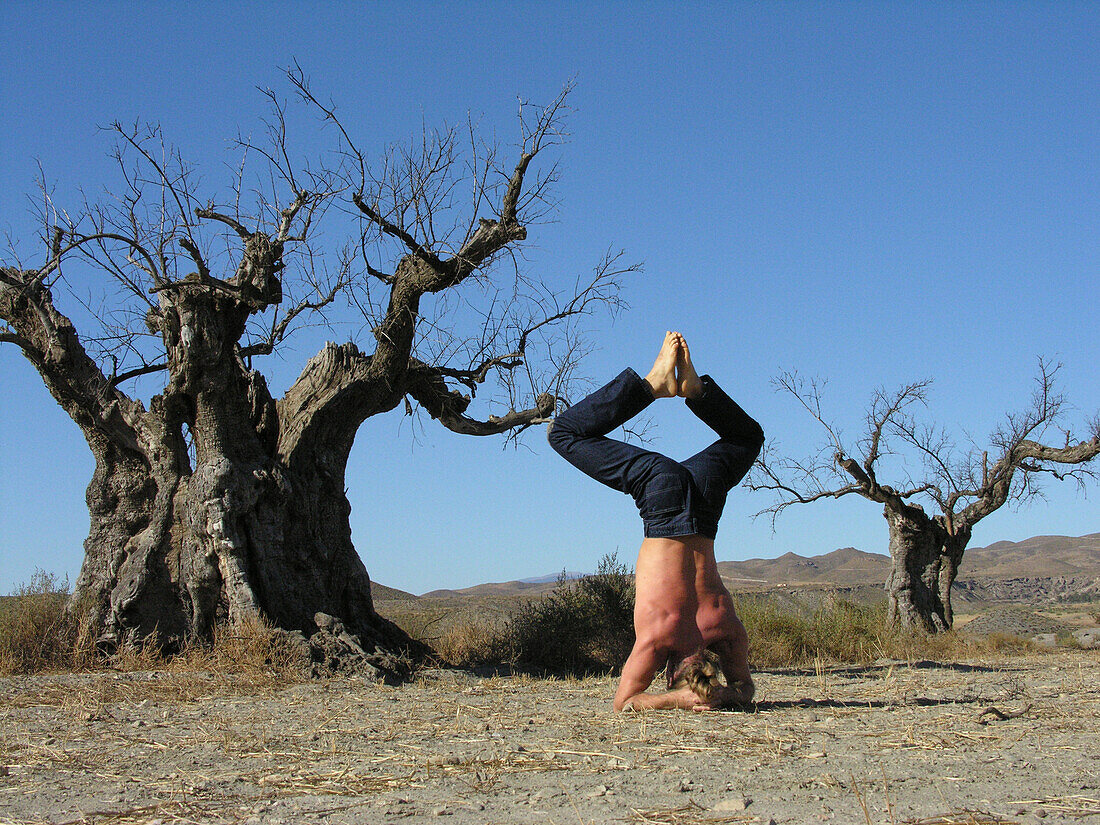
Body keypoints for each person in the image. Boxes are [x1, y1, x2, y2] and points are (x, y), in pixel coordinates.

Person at [548, 332, 764, 711]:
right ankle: (651, 385)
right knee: (564, 433)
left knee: (747, 437)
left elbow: (746, 688)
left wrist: (723, 695)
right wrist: (675, 701)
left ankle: (695, 390)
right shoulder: (658, 640)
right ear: (671, 673)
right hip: (662, 500)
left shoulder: (726, 631)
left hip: (705, 502)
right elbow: (625, 702)